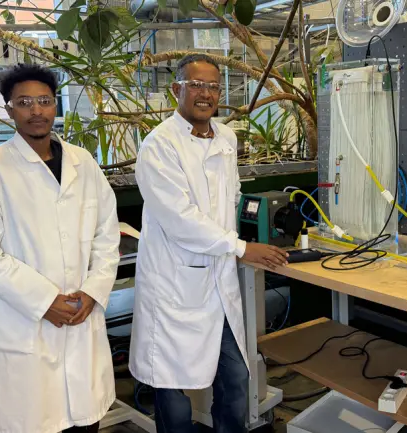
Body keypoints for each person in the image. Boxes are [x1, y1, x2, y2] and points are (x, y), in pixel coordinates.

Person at [129, 54, 289, 433]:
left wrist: (240, 244)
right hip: (175, 285)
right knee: (174, 396)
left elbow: (232, 197)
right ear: (176, 90)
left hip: (218, 279)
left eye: (213, 86)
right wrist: (240, 248)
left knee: (234, 381)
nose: (205, 94)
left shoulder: (227, 138)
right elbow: (179, 218)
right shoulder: (159, 146)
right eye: (196, 85)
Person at [0, 64, 120, 433]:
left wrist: (94, 292)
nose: (36, 111)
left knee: (84, 423)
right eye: (25, 102)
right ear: (9, 110)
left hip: (81, 315)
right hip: (25, 322)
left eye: (44, 101)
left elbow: (106, 234)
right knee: (32, 421)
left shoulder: (84, 163)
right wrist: (45, 300)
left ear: (55, 105)